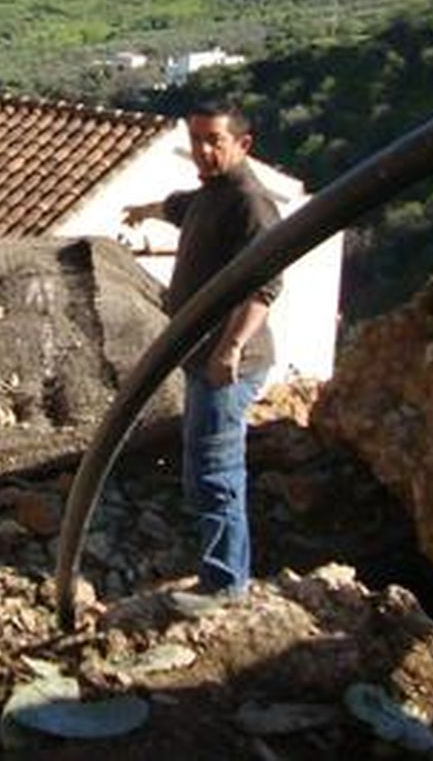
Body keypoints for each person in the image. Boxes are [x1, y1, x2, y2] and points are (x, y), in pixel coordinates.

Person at [124, 102, 281, 606]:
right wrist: (144, 212)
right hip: (201, 358)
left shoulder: (251, 204)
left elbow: (266, 287)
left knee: (216, 472)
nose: (204, 151)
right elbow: (181, 206)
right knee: (200, 470)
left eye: (214, 140)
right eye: (196, 140)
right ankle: (217, 575)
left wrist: (230, 347)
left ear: (243, 143)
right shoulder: (213, 193)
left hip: (228, 364)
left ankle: (226, 586)